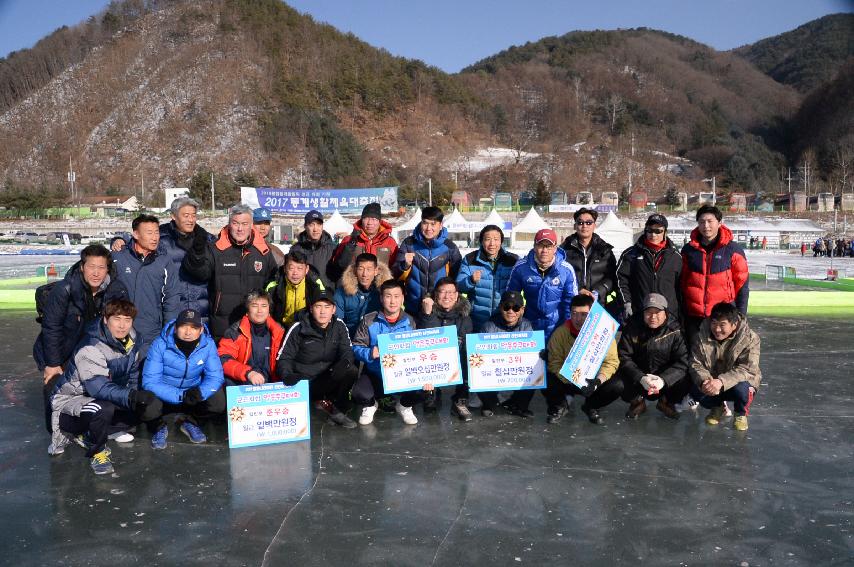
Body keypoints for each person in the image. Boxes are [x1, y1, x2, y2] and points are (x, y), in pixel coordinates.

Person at [47, 299, 159, 475]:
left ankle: (102, 430)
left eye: (127, 320)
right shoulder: (90, 347)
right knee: (102, 408)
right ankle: (96, 450)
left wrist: (137, 397)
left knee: (144, 408)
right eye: (117, 318)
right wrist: (131, 396)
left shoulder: (133, 342)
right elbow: (97, 388)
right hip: (70, 402)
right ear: (106, 320)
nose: (122, 325)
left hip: (104, 395)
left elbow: (133, 376)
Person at [503, 228, 578, 417]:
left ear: (555, 248)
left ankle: (557, 405)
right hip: (531, 325)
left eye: (548, 246)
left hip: (557, 325)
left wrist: (568, 328)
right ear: (535, 247)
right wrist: (515, 319)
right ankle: (518, 403)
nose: (544, 250)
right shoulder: (521, 267)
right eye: (540, 245)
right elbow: (510, 296)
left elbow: (571, 301)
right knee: (530, 365)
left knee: (553, 366)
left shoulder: (566, 270)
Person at [34, 245, 129, 387]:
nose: (96, 273)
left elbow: (124, 324)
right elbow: (51, 328)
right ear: (82, 267)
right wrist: (52, 364)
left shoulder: (117, 291)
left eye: (101, 268)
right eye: (91, 267)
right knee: (59, 397)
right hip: (62, 353)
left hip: (93, 354)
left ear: (107, 269)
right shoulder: (64, 289)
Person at [182, 204, 278, 340]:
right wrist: (197, 253)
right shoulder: (216, 249)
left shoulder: (263, 251)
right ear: (229, 224)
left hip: (254, 321)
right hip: (222, 322)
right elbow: (201, 273)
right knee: (224, 359)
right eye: (235, 223)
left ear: (251, 225)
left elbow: (272, 283)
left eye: (244, 224)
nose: (240, 229)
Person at [112, 197, 214, 319]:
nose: (190, 220)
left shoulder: (207, 239)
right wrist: (118, 241)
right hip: (171, 309)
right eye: (186, 215)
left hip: (201, 310)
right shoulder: (161, 236)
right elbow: (136, 243)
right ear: (173, 216)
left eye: (193, 215)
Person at [595, 293, 690, 421]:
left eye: (657, 312)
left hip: (663, 380)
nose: (653, 317)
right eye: (648, 312)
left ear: (665, 313)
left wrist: (663, 380)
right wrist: (641, 378)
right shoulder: (632, 326)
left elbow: (682, 362)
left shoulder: (675, 330)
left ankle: (666, 401)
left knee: (685, 378)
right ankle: (637, 401)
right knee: (619, 381)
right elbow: (623, 356)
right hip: (639, 379)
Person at [275, 290, 359, 429]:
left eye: (327, 307)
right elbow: (284, 357)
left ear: (333, 309)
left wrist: (345, 363)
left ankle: (338, 409)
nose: (322, 311)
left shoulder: (339, 325)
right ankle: (313, 404)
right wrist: (287, 375)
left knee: (351, 370)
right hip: (303, 382)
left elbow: (347, 350)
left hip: (326, 379)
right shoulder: (298, 328)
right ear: (311, 308)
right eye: (318, 306)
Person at [142, 309, 225, 448]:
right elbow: (150, 382)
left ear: (201, 330)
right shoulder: (159, 344)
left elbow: (215, 377)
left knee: (218, 400)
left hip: (191, 394)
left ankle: (191, 422)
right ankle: (158, 427)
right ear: (175, 328)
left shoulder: (208, 345)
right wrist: (180, 395)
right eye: (183, 326)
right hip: (165, 393)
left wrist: (201, 392)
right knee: (147, 402)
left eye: (194, 327)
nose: (188, 332)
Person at [543, 294, 620, 425]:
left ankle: (591, 406)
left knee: (617, 386)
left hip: (592, 382)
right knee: (545, 377)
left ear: (591, 314)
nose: (578, 319)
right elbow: (554, 363)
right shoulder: (561, 332)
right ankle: (560, 405)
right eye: (574, 313)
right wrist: (571, 379)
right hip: (568, 380)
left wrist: (598, 381)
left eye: (583, 314)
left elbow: (611, 362)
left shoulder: (604, 333)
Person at [351, 279, 419, 425]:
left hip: (402, 374)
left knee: (424, 388)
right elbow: (356, 346)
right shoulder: (369, 320)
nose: (392, 301)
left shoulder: (410, 321)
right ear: (381, 298)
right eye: (388, 296)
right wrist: (369, 353)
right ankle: (371, 405)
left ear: (402, 298)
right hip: (376, 373)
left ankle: (405, 406)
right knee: (358, 393)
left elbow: (417, 350)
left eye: (396, 296)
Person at [112, 214, 181, 355]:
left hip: (152, 332)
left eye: (156, 232)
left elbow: (172, 299)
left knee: (148, 371)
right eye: (149, 233)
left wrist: (168, 333)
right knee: (123, 369)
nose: (155, 237)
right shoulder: (118, 258)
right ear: (136, 234)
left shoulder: (164, 261)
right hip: (121, 330)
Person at [680, 205, 749, 346]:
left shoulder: (733, 250)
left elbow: (742, 285)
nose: (706, 226)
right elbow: (682, 282)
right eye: (701, 222)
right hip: (694, 317)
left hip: (722, 317)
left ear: (719, 222)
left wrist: (741, 315)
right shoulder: (688, 250)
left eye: (710, 221)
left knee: (721, 359)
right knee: (695, 358)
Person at [689, 302, 761, 431]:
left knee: (742, 389)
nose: (717, 329)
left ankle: (740, 413)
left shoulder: (750, 338)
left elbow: (748, 369)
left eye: (722, 325)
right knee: (695, 390)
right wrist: (705, 381)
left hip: (737, 383)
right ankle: (718, 407)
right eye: (714, 323)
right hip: (713, 382)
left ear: (734, 325)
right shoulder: (700, 336)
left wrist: (721, 381)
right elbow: (695, 363)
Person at [417, 278, 474, 421]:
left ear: (456, 296)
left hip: (457, 358)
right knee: (426, 355)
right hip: (433, 360)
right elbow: (423, 341)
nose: (446, 296)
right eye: (442, 292)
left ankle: (460, 399)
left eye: (450, 292)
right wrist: (427, 315)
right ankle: (431, 394)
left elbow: (468, 346)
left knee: (471, 358)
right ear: (435, 295)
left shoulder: (464, 317)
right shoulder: (426, 312)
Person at [394, 205, 463, 314]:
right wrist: (404, 265)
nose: (428, 228)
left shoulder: (449, 247)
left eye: (433, 224)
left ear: (440, 225)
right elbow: (394, 274)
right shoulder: (409, 244)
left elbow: (457, 279)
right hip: (413, 307)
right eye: (425, 223)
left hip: (440, 308)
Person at [616, 213, 682, 323]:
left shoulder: (676, 256)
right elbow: (620, 280)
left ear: (665, 232)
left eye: (658, 231)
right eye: (650, 230)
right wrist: (627, 303)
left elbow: (681, 287)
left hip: (667, 316)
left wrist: (679, 313)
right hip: (639, 313)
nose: (653, 235)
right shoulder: (631, 254)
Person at [478, 290, 534, 416]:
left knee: (535, 372)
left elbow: (530, 357)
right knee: (475, 369)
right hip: (494, 374)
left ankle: (520, 406)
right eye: (507, 307)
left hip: (516, 372)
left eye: (516, 308)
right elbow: (480, 356)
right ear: (500, 307)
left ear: (522, 310)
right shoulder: (488, 326)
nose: (511, 311)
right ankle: (489, 404)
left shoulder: (527, 326)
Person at [456, 224, 519, 331]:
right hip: (477, 319)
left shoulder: (513, 260)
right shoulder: (470, 259)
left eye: (496, 239)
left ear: (501, 241)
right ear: (481, 241)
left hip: (504, 320)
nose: (492, 243)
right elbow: (459, 286)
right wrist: (470, 280)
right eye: (488, 239)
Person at [218, 291, 285, 386]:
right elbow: (222, 359)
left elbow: (288, 359)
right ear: (247, 311)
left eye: (264, 306)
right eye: (254, 306)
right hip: (245, 383)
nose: (260, 310)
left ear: (269, 310)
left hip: (273, 386)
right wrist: (248, 373)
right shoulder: (235, 332)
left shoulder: (280, 332)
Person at [560, 208, 618, 312]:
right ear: (575, 226)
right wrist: (577, 290)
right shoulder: (564, 249)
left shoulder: (604, 249)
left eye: (588, 222)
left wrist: (597, 292)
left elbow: (612, 277)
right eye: (580, 222)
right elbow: (559, 275)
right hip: (572, 305)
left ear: (594, 225)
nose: (584, 226)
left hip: (598, 304)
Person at [329, 202, 398, 281]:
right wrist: (351, 244)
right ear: (361, 220)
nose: (369, 223)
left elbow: (396, 269)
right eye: (366, 218)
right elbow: (338, 266)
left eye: (374, 219)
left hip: (381, 288)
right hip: (354, 288)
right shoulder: (348, 240)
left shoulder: (390, 242)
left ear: (379, 222)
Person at [334, 252, 392, 338]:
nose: (364, 274)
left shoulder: (384, 291)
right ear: (355, 270)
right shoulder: (342, 292)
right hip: (349, 339)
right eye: (361, 269)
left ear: (376, 271)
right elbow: (337, 322)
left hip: (377, 339)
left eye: (369, 269)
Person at [269, 249, 330, 329]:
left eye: (300, 268)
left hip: (308, 326)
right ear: (284, 269)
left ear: (306, 269)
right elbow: (267, 311)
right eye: (291, 268)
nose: (295, 273)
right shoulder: (274, 285)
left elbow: (323, 309)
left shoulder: (315, 284)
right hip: (282, 327)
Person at [289, 209, 336, 283]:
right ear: (305, 226)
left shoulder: (332, 248)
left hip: (327, 293)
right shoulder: (296, 249)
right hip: (304, 293)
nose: (315, 229)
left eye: (319, 224)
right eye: (311, 225)